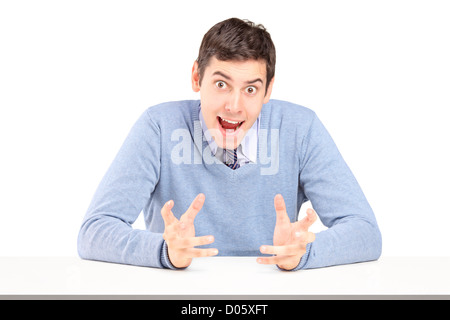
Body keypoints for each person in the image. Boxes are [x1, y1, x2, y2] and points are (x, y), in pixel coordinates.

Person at [77, 17, 382, 271]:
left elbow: (365, 232)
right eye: (221, 84)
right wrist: (165, 251)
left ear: (268, 90)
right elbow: (94, 231)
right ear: (197, 77)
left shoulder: (301, 129)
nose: (234, 106)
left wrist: (303, 252)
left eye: (250, 88)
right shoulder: (158, 127)